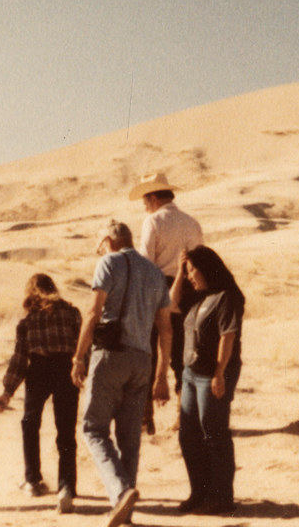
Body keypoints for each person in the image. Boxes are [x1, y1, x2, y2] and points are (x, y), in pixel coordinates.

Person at [71, 220, 172, 527]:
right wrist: (162, 374)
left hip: (111, 356)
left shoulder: (109, 262)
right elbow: (165, 329)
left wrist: (78, 357)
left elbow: (93, 312)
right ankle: (124, 511)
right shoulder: (155, 272)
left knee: (93, 429)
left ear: (109, 241)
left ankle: (120, 490)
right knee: (130, 438)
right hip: (143, 358)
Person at [0, 273, 82, 514]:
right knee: (66, 431)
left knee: (29, 423)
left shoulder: (28, 321)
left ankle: (33, 480)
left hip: (39, 369)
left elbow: (20, 359)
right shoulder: (72, 313)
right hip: (66, 369)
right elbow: (82, 346)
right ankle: (67, 487)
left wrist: (7, 391)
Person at [171, 245, 244, 515]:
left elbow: (228, 336)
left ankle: (222, 497)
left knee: (213, 433)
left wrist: (219, 373)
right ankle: (199, 492)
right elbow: (171, 302)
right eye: (188, 271)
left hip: (212, 374)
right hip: (190, 373)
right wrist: (180, 271)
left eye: (193, 270)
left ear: (207, 268)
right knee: (188, 435)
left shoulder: (226, 298)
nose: (190, 276)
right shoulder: (199, 297)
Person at [132, 171, 203, 412]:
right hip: (190, 292)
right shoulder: (192, 222)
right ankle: (185, 413)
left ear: (153, 198)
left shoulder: (153, 222)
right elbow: (200, 261)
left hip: (159, 288)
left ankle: (145, 413)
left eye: (145, 199)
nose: (144, 205)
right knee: (184, 353)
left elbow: (145, 264)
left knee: (150, 350)